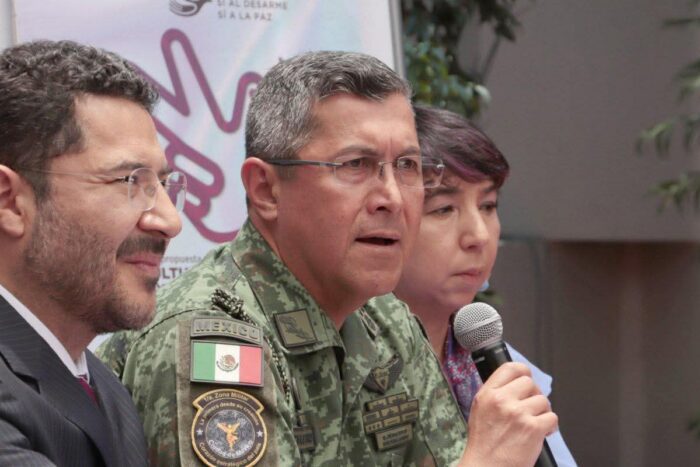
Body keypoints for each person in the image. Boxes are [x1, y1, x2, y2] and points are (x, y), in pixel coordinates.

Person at [98, 50, 556, 466]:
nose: (392, 198)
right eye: (355, 165)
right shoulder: (212, 340)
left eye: (407, 166)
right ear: (266, 190)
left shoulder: (386, 319)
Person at [0, 40, 185, 465]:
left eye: (161, 185)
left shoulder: (102, 386)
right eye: (129, 182)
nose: (170, 221)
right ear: (9, 202)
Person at [395, 104, 577, 466]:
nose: (478, 236)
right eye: (444, 209)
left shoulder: (500, 365)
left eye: (489, 206)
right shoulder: (348, 370)